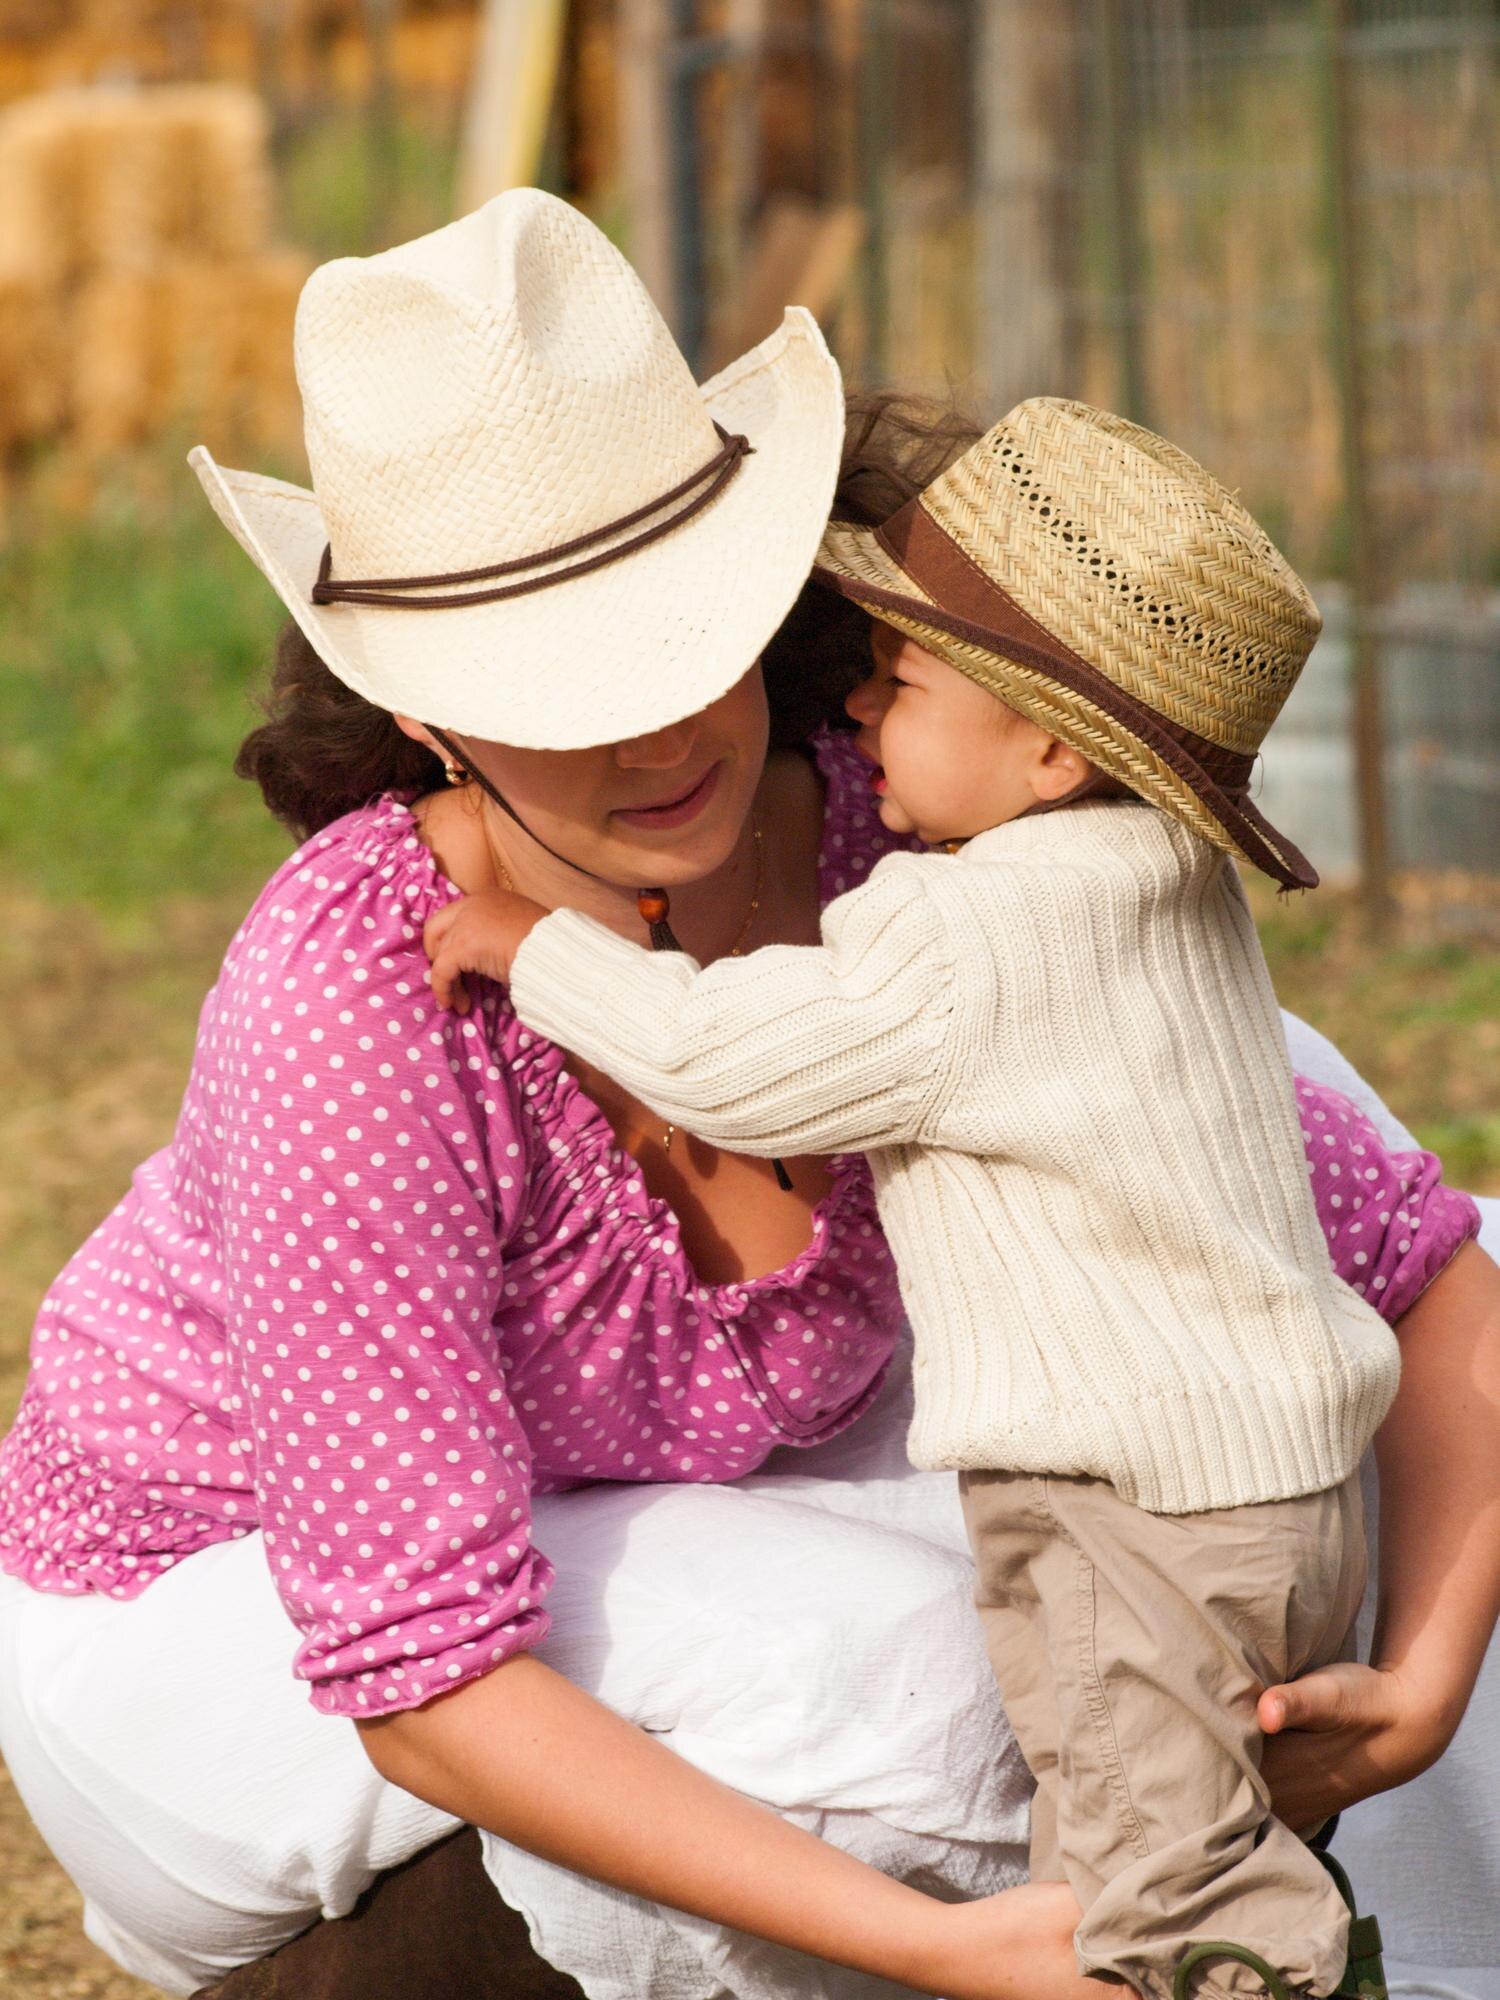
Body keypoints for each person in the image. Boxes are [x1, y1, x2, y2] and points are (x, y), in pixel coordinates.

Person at [0, 189, 1493, 2000]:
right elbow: (419, 1671)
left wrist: (1418, 1683)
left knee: (1261, 1505)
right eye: (554, 681)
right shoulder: (358, 1002)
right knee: (925, 1692)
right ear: (420, 716)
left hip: (708, 1478)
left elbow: (1417, 1265)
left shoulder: (914, 837)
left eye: (681, 626)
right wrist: (950, 1955)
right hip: (248, 1611)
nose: (656, 728)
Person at [419, 398, 1453, 2000]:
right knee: (1193, 1837)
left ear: (1048, 751)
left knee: (1163, 1904)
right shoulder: (1165, 894)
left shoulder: (967, 938)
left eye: (903, 684)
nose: (858, 701)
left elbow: (735, 1061)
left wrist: (529, 951)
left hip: (1126, 1515)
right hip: (1281, 1503)